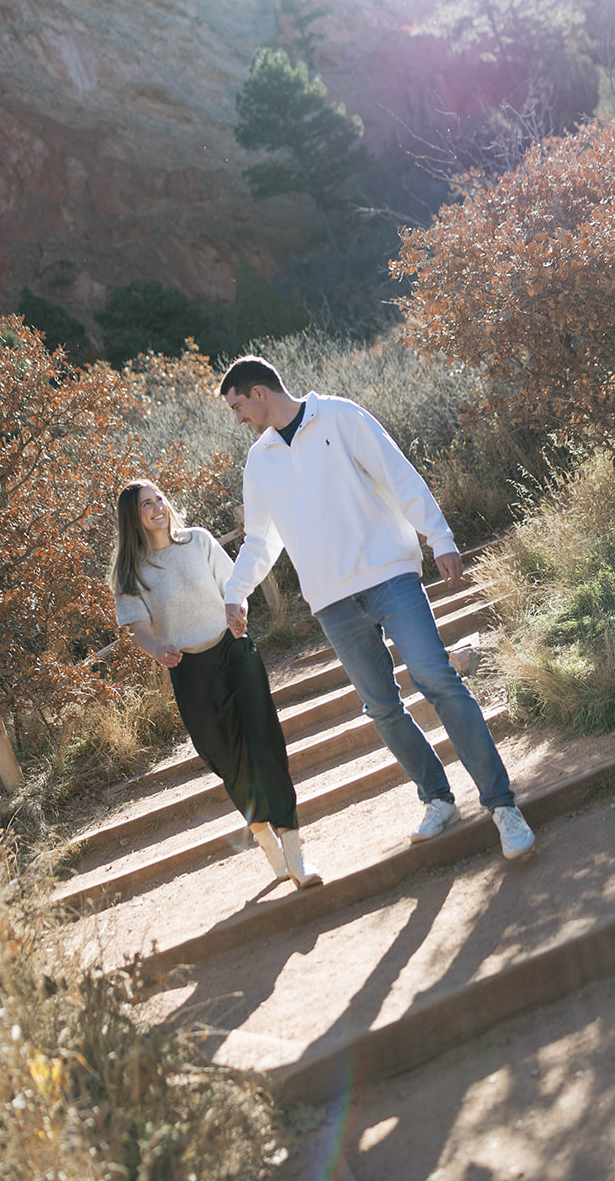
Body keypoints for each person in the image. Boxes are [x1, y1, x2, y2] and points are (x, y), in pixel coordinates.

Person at [218, 357, 535, 860]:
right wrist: (236, 592)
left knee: (436, 678)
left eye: (237, 406)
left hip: (390, 574)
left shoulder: (340, 416)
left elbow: (398, 474)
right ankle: (437, 798)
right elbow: (260, 538)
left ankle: (502, 805)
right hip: (331, 601)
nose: (238, 419)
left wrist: (440, 536)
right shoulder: (260, 461)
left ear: (258, 392)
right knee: (383, 708)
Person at [109, 479, 321, 888]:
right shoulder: (130, 572)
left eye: (159, 499)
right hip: (189, 671)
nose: (157, 508)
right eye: (146, 505)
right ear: (132, 518)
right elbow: (140, 629)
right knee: (226, 759)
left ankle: (296, 854)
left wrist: (238, 609)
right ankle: (265, 838)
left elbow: (234, 588)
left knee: (266, 745)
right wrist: (156, 650)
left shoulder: (199, 542)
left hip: (234, 651)